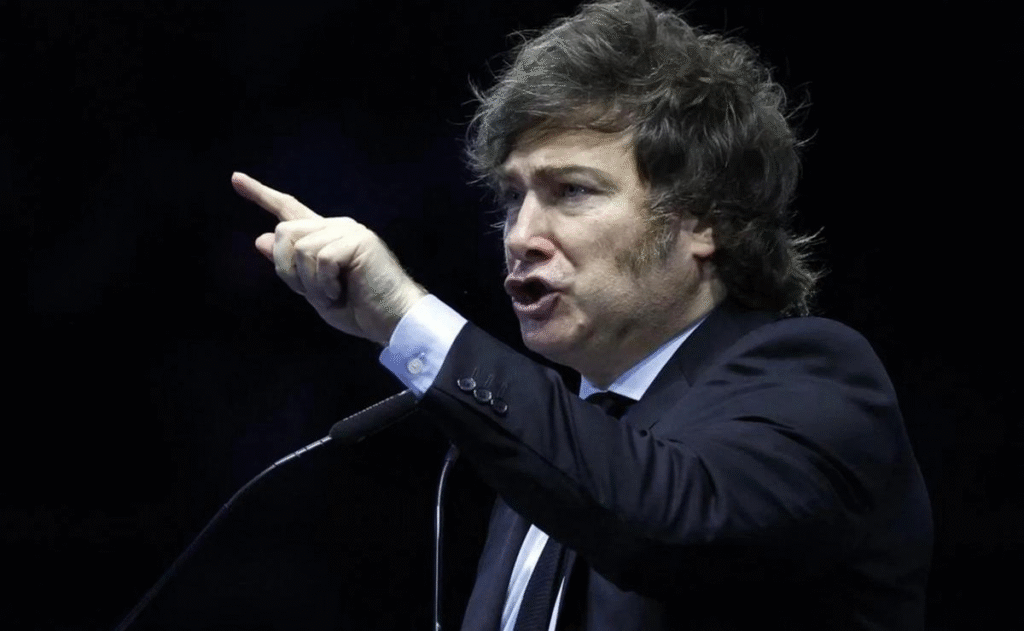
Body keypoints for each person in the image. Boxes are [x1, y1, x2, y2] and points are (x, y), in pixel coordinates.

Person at [232, 0, 932, 629]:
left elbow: (672, 521)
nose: (520, 235)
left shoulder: (818, 378)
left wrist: (406, 319)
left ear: (704, 220)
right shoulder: (557, 460)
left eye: (572, 191)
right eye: (513, 198)